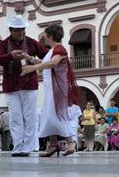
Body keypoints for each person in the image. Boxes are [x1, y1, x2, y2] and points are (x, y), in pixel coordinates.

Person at [21, 23, 80, 157]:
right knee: (49, 115)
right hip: (51, 88)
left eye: (46, 36)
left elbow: (53, 63)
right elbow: (45, 62)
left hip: (57, 88)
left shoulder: (59, 49)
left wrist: (31, 68)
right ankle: (53, 145)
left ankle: (70, 141)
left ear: (51, 36)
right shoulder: (52, 51)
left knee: (57, 114)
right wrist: (30, 59)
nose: (45, 38)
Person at [0, 14, 48, 157]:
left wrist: (34, 59)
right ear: (11, 30)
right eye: (18, 30)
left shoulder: (32, 43)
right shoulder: (4, 44)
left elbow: (46, 54)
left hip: (29, 85)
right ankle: (18, 146)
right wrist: (11, 55)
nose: (21, 33)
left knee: (30, 117)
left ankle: (28, 147)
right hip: (11, 86)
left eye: (23, 29)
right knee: (15, 117)